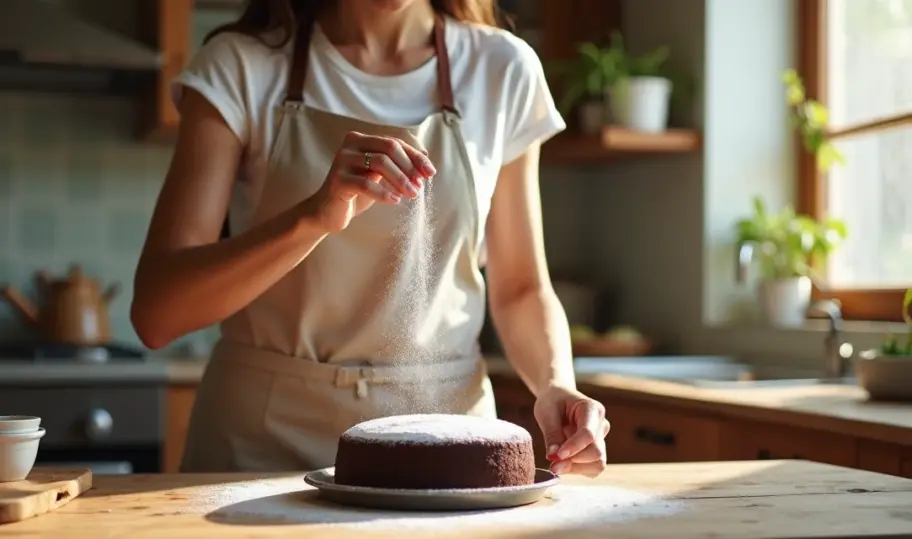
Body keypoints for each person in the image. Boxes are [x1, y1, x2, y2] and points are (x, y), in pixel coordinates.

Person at [131, 0, 610, 477]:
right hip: (259, 445)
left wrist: (556, 384)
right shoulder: (241, 66)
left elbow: (522, 287)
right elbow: (158, 314)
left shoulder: (501, 69)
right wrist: (314, 217)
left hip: (441, 441)